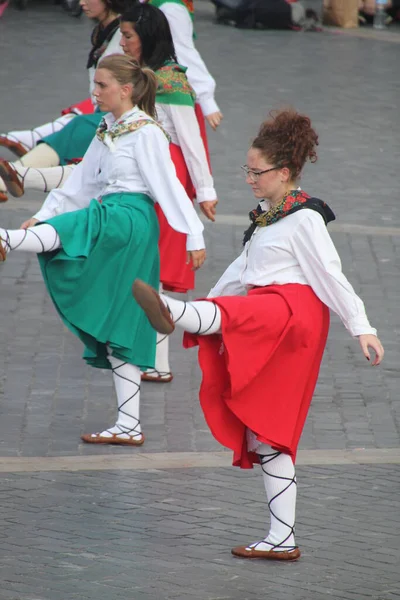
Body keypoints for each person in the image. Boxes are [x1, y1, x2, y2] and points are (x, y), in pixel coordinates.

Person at [132, 109, 384, 560]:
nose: (248, 178)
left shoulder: (304, 217)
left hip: (290, 317)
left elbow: (330, 275)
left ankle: (174, 312)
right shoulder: (271, 215)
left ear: (283, 173)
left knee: (239, 314)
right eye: (246, 170)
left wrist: (362, 326)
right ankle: (281, 538)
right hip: (268, 313)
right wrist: (208, 302)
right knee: (268, 435)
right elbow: (240, 271)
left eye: (256, 172)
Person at [0, 3, 218, 386]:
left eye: (130, 35)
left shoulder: (161, 102)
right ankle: (133, 414)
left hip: (135, 209)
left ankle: (12, 224)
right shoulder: (110, 124)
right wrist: (47, 213)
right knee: (132, 298)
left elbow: (184, 155)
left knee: (106, 252)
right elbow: (82, 180)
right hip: (120, 200)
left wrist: (202, 204)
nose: (125, 40)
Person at [0, 0, 125, 202]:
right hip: (106, 111)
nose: (81, 2)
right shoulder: (105, 31)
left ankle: (14, 173)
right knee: (75, 128)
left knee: (77, 127)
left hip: (124, 115)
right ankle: (15, 171)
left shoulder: (125, 33)